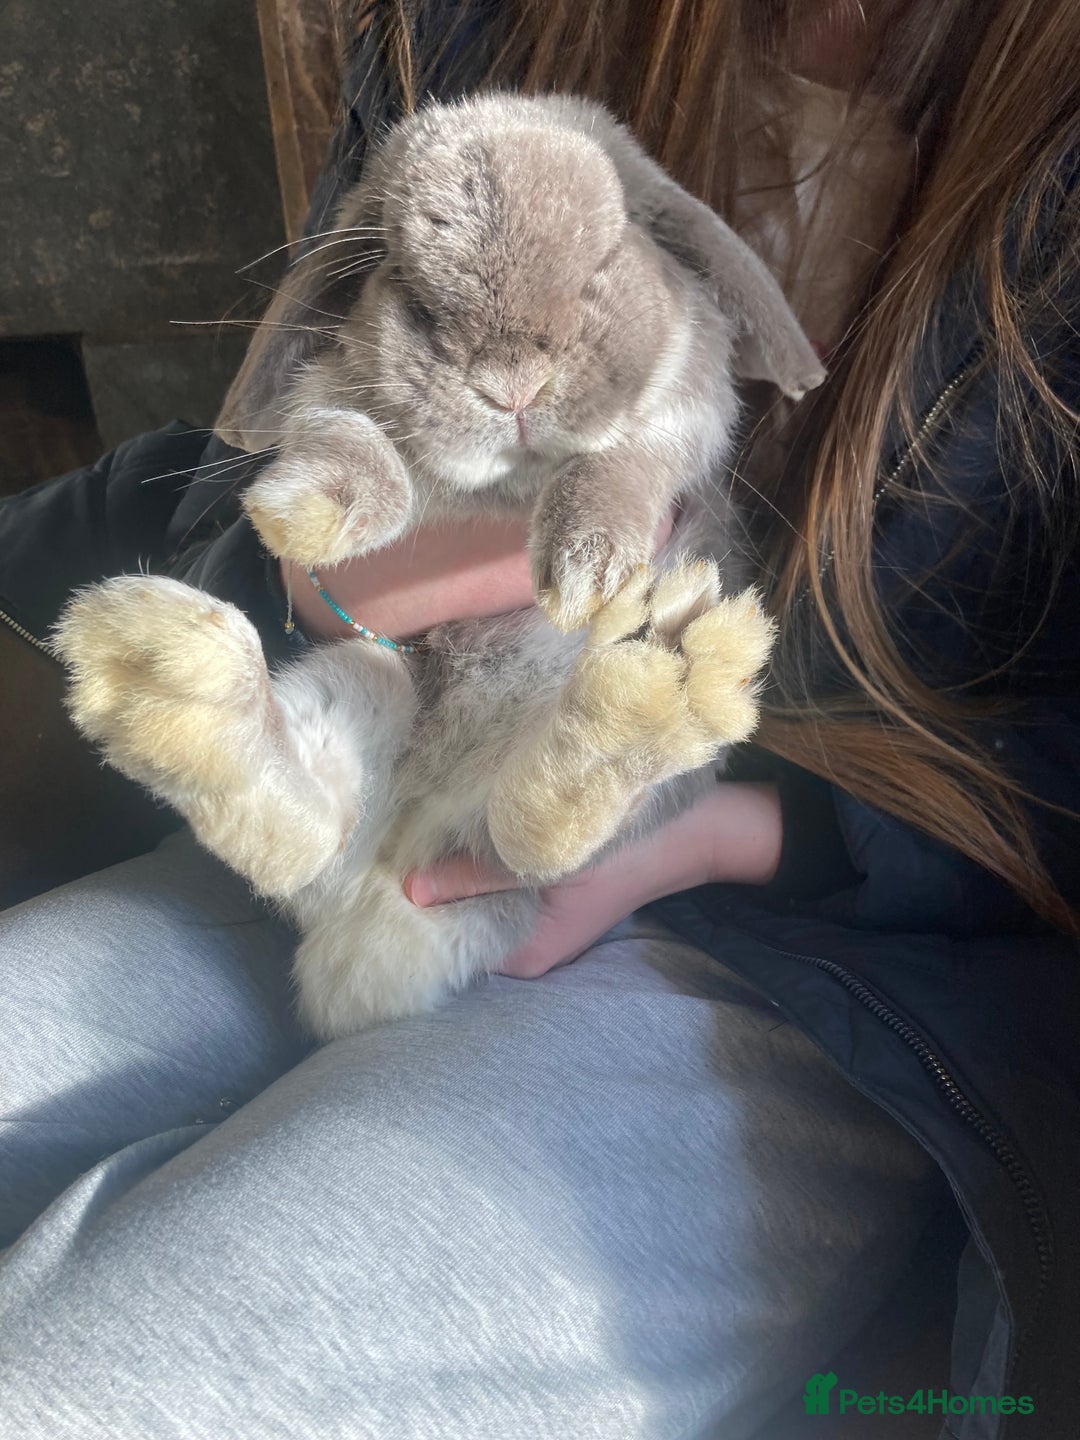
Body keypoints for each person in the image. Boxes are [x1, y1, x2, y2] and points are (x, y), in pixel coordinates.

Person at [1, 1, 1077, 1436]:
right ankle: (265, 767)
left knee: (101, 1383)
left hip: (826, 939)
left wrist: (740, 830)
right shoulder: (473, 34)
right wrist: (322, 573)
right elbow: (290, 408)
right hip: (386, 759)